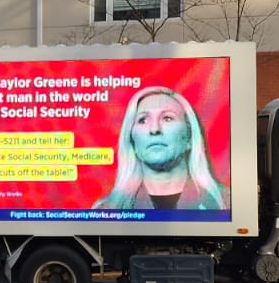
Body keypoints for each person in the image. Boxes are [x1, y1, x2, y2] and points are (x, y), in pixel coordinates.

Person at [94, 85, 227, 210]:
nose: (154, 129)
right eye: (143, 120)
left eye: (167, 118)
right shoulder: (106, 209)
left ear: (189, 138)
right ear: (132, 141)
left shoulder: (226, 204)